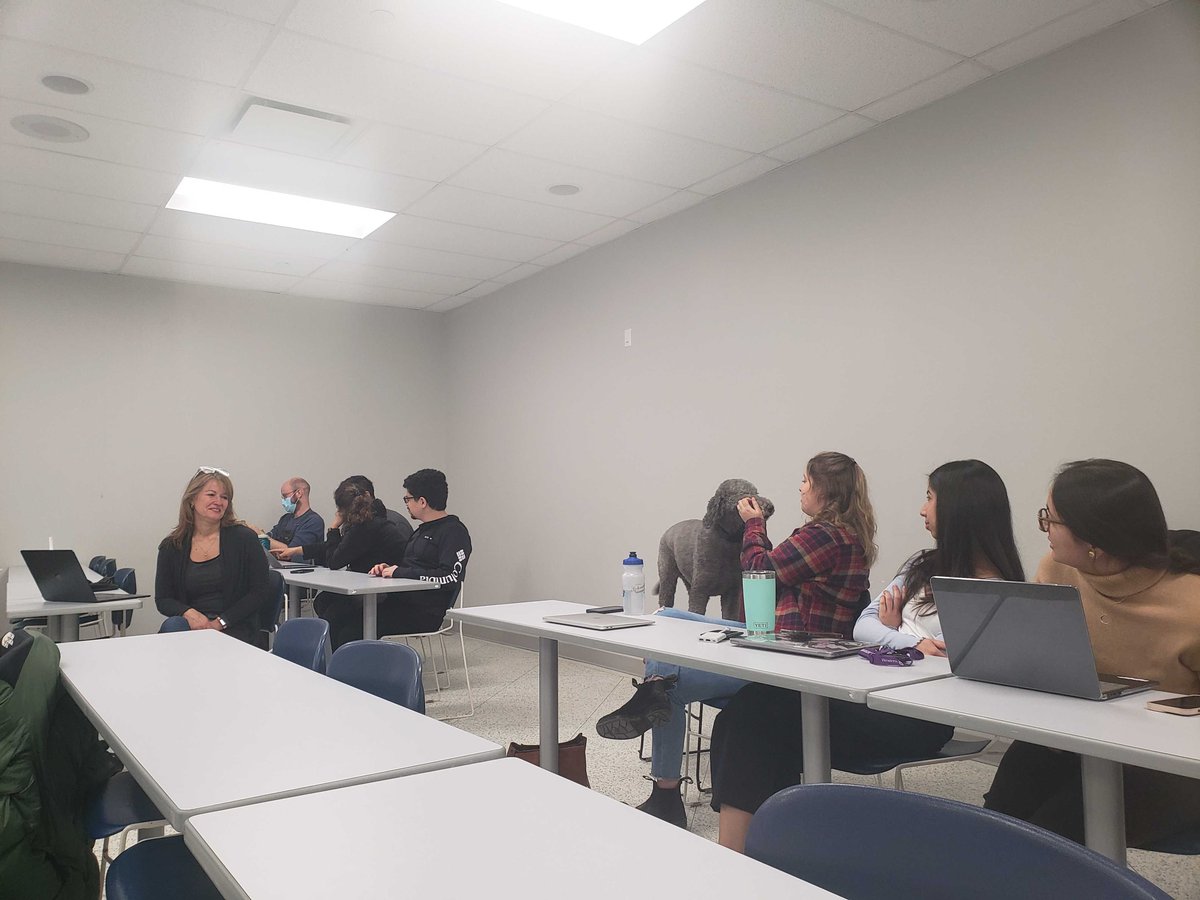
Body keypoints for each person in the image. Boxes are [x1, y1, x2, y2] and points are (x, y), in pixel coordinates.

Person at [709, 459, 1026, 852]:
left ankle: (740, 856)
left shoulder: (997, 592)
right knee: (752, 714)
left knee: (756, 714)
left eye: (930, 499)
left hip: (917, 717)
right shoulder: (920, 565)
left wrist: (896, 635)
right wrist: (909, 642)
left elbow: (961, 659)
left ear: (962, 509)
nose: (922, 509)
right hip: (869, 695)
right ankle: (759, 855)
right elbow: (865, 625)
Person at [596, 451, 876, 828]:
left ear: (825, 490)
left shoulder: (825, 537)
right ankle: (654, 691)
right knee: (665, 617)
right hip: (777, 641)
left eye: (806, 481)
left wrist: (754, 524)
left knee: (667, 681)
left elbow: (760, 571)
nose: (800, 487)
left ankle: (661, 769)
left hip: (790, 659)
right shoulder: (836, 536)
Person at [983, 459, 1200, 847]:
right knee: (997, 825)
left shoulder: (1191, 606)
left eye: (1051, 519)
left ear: (1094, 536)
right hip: (1073, 739)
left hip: (1166, 767)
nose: (1045, 528)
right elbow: (1041, 656)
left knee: (1049, 841)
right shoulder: (1057, 570)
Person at [278, 477, 408, 648]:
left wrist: (333, 528)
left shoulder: (366, 527)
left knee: (335, 616)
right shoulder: (372, 521)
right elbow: (337, 547)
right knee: (325, 601)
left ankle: (337, 662)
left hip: (387, 595)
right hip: (372, 584)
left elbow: (334, 560)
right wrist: (297, 550)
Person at [155, 468, 272, 644]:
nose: (219, 502)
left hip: (235, 625)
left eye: (224, 497)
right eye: (211, 495)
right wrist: (189, 613)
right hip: (192, 626)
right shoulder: (171, 546)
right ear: (192, 499)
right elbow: (163, 599)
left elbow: (259, 591)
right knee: (173, 626)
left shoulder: (244, 538)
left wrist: (221, 622)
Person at [368, 468, 472, 641]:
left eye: (408, 499)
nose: (406, 504)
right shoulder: (421, 530)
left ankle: (366, 667)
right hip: (400, 603)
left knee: (352, 628)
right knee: (340, 614)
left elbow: (449, 577)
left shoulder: (453, 532)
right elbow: (413, 566)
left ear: (422, 501)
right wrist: (389, 569)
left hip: (423, 612)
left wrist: (400, 572)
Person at [258, 477, 325, 554]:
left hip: (303, 565)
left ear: (299, 493)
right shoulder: (285, 519)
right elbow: (271, 537)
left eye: (285, 496)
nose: (283, 501)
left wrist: (260, 535)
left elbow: (292, 552)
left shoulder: (313, 521)